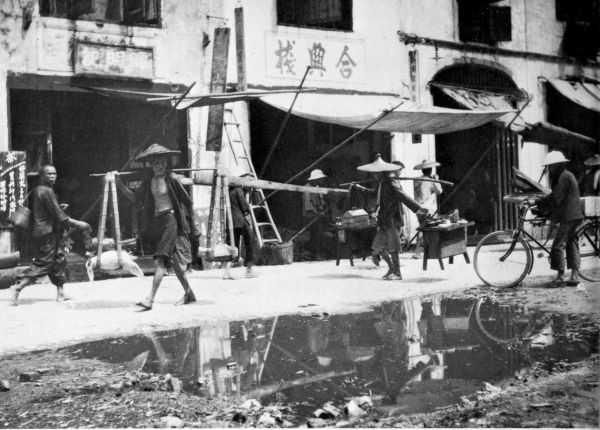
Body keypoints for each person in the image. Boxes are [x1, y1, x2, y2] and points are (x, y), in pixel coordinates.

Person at [118, 143, 200, 311]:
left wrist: (194, 224)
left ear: (166, 163)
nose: (160, 166)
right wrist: (119, 185)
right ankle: (189, 293)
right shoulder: (149, 182)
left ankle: (150, 299)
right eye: (156, 163)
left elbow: (188, 201)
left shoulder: (172, 178)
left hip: (171, 220)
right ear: (151, 165)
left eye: (163, 162)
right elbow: (136, 199)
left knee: (161, 260)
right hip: (158, 222)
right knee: (174, 262)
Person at [10, 165, 91, 306]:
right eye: (49, 174)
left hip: (45, 231)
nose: (53, 176)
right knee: (44, 263)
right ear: (42, 176)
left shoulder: (39, 190)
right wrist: (78, 223)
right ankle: (19, 286)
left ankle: (61, 293)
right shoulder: (46, 191)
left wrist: (60, 207)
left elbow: (47, 210)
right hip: (46, 233)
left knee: (58, 259)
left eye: (54, 174)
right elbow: (59, 216)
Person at [358, 155, 427, 280]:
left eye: (375, 173)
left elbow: (403, 197)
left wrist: (418, 209)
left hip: (391, 219)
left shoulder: (391, 183)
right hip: (383, 219)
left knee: (393, 247)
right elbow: (375, 195)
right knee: (377, 247)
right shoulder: (382, 183)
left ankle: (398, 273)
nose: (374, 175)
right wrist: (360, 189)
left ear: (381, 173)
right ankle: (391, 268)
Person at [538, 151, 584, 287]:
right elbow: (557, 197)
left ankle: (560, 276)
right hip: (575, 215)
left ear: (557, 165)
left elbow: (556, 198)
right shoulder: (566, 175)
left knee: (558, 245)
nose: (549, 169)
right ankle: (574, 275)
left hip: (569, 216)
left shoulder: (563, 177)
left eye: (551, 166)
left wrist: (538, 202)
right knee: (572, 244)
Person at [412, 160, 443, 259]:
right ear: (430, 171)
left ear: (422, 170)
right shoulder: (431, 181)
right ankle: (419, 251)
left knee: (422, 227)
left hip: (417, 208)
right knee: (425, 228)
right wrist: (436, 180)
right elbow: (439, 191)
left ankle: (422, 251)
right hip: (427, 208)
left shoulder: (416, 180)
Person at [227, 176, 256, 277]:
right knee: (250, 241)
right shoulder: (238, 190)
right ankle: (249, 268)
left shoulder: (228, 191)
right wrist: (248, 192)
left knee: (233, 245)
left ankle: (231, 269)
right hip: (239, 220)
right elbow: (244, 207)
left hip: (231, 221)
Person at [302, 169, 331, 260]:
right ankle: (314, 254)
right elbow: (308, 205)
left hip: (318, 215)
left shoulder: (317, 187)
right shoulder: (307, 188)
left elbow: (321, 202)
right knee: (315, 234)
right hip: (311, 216)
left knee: (319, 234)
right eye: (320, 178)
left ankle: (316, 253)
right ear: (316, 179)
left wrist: (322, 211)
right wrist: (318, 213)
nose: (322, 180)